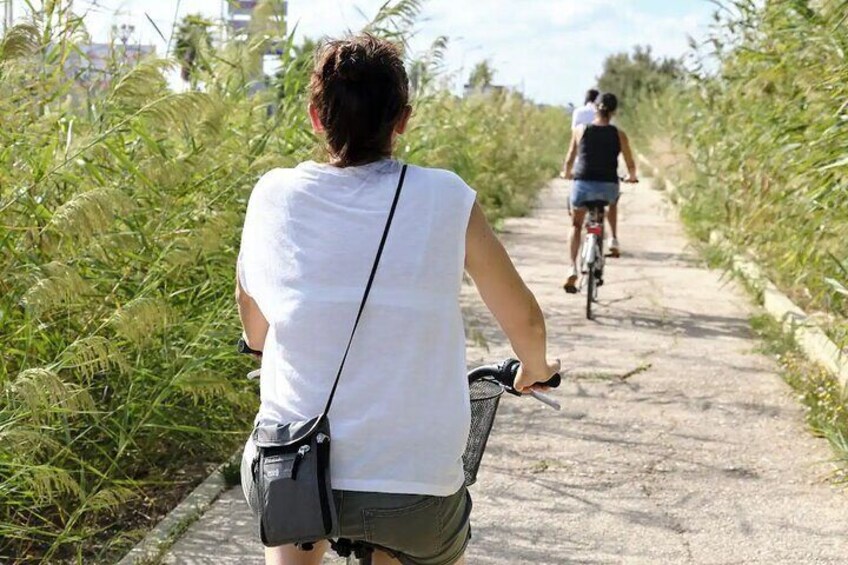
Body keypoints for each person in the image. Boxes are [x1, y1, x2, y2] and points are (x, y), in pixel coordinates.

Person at [235, 34, 560, 565]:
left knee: (292, 527)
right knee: (410, 529)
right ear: (402, 119)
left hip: (291, 469)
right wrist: (535, 367)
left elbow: (253, 311)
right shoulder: (446, 196)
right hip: (415, 488)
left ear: (317, 117)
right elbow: (524, 318)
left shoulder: (273, 193)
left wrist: (258, 346)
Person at [561, 92, 637, 294]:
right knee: (612, 202)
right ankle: (612, 238)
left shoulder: (580, 130)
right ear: (613, 112)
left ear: (595, 108)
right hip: (607, 186)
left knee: (576, 225)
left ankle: (572, 268)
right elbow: (629, 162)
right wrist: (632, 175)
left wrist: (566, 173)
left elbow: (570, 158)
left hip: (583, 184)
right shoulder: (619, 134)